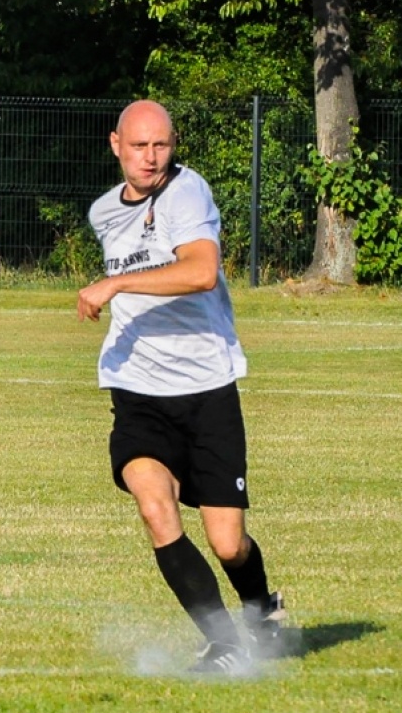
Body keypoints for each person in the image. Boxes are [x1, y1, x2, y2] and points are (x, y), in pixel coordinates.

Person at [77, 100, 287, 675]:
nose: (150, 158)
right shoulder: (103, 211)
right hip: (137, 388)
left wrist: (115, 283)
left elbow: (201, 271)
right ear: (115, 143)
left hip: (206, 388)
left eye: (161, 146)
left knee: (227, 544)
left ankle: (258, 607)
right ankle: (221, 642)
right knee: (154, 505)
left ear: (174, 146)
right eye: (139, 146)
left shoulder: (187, 193)